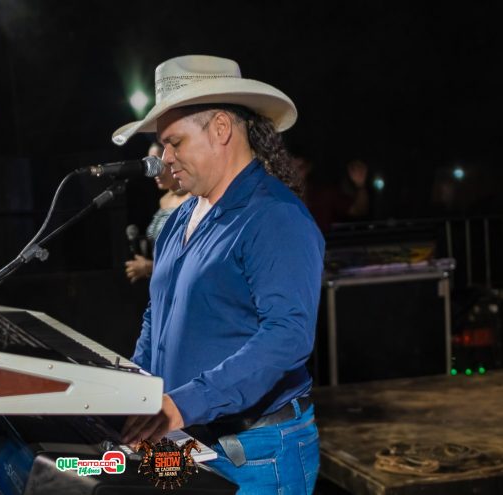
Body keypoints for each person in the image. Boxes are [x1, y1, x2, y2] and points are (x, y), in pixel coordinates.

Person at [112, 55, 324, 494]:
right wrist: (137, 393)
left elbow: (287, 335)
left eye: (174, 142)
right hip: (186, 440)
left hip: (255, 453)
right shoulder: (177, 220)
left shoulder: (274, 216)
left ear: (222, 129)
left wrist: (181, 405)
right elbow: (158, 317)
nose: (164, 158)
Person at [125, 142, 191, 283]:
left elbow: (192, 258)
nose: (153, 171)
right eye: (150, 165)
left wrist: (149, 267)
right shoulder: (162, 201)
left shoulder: (193, 199)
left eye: (157, 163)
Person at [294, 153, 370, 232]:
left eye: (300, 168)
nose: (294, 173)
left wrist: (360, 186)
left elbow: (358, 210)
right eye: (290, 168)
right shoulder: (281, 197)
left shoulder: (324, 194)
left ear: (308, 168)